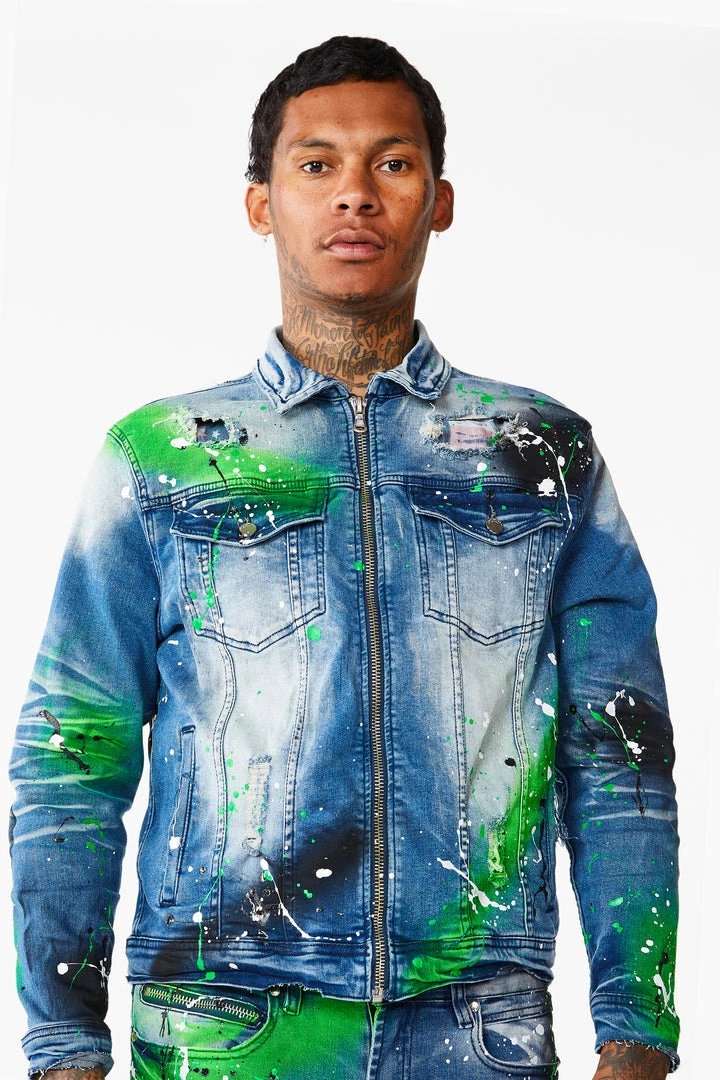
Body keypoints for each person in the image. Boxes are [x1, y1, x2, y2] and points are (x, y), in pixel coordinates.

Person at [9, 35, 679, 1080]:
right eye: (316, 164)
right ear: (261, 203)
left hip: (477, 1026)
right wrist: (64, 1045)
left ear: (439, 201)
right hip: (222, 1026)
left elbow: (620, 753)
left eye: (392, 163)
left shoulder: (541, 455)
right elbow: (72, 751)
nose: (355, 194)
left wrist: (638, 1030)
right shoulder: (163, 459)